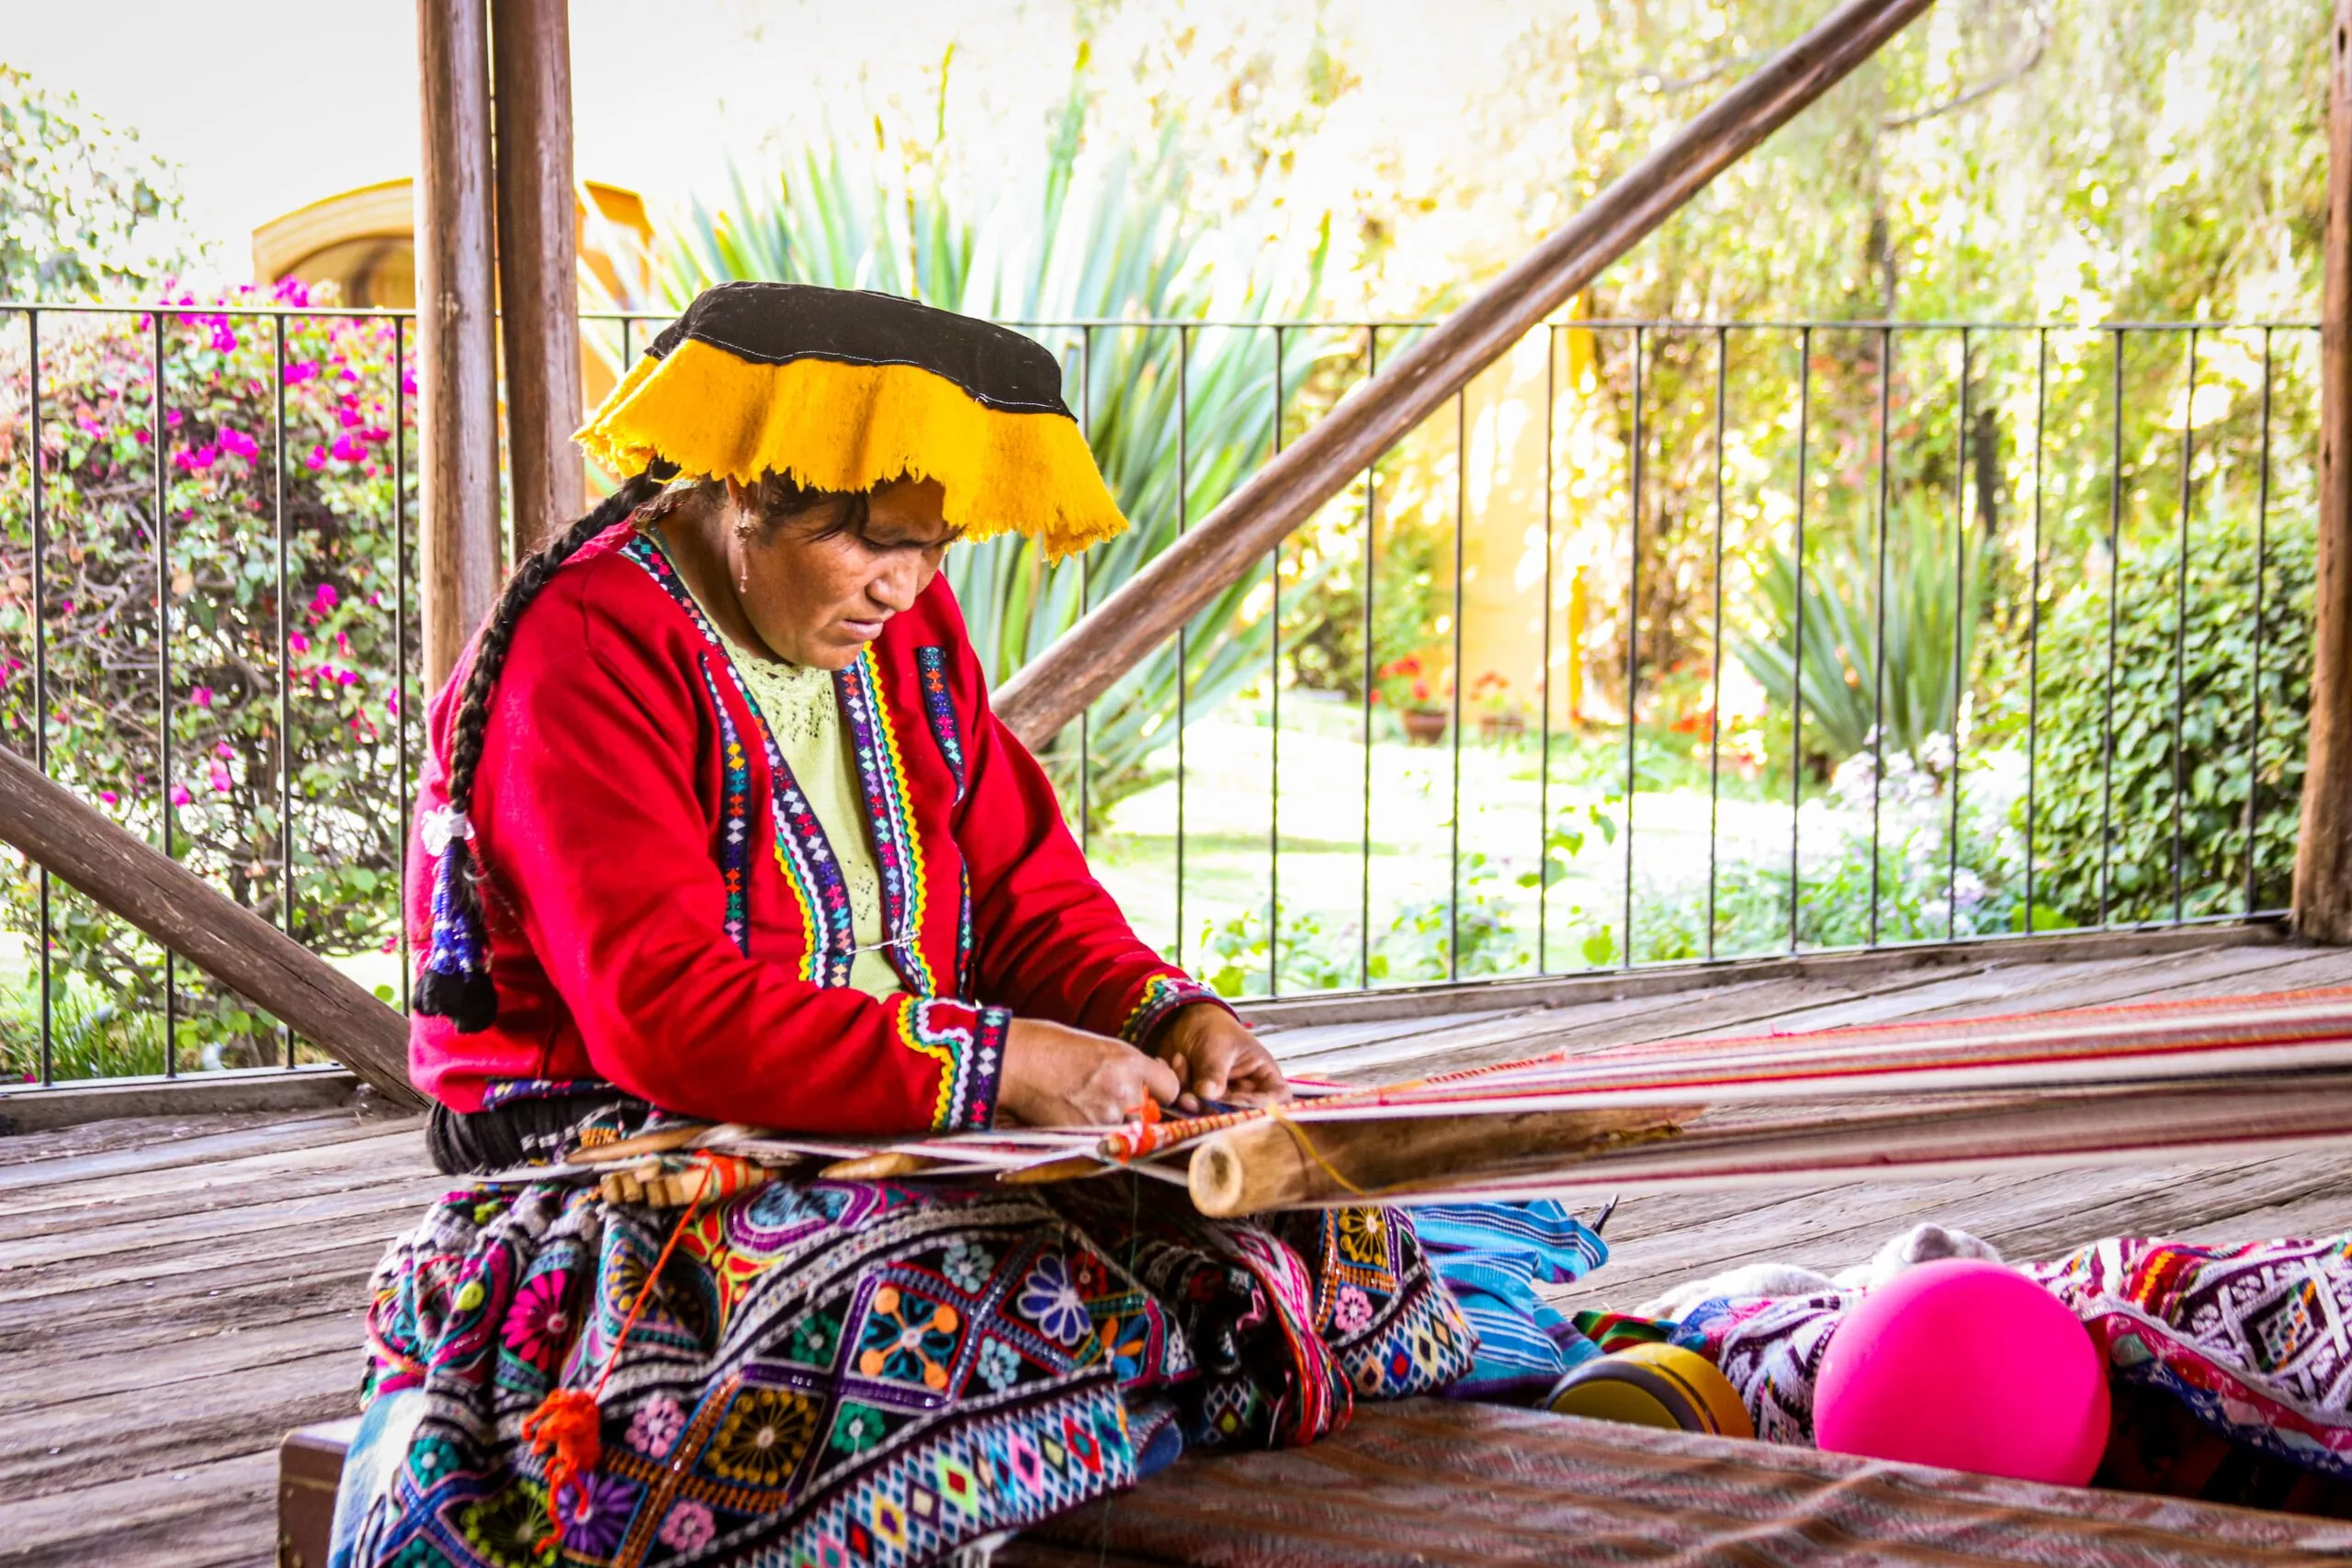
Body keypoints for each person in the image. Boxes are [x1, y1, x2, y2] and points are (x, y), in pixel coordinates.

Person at [336, 282, 1473, 1568]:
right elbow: (666, 1011)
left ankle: (1106, 1438)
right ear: (749, 492)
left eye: (934, 547)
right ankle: (1105, 1440)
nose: (908, 584)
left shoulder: (909, 634)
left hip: (908, 1137)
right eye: (874, 540)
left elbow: (1028, 898)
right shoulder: (587, 647)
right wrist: (1004, 1067)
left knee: (1332, 1218)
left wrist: (1170, 1016)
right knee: (906, 1307)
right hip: (639, 1163)